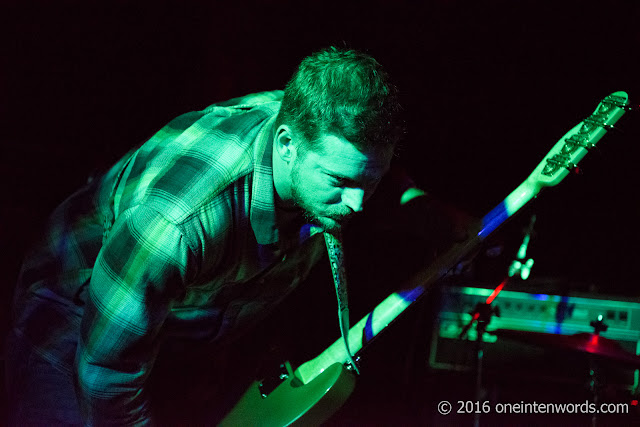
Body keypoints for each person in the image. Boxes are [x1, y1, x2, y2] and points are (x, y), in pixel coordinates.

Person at [6, 47, 458, 425]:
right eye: (339, 182)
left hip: (189, 333)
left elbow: (371, 175)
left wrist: (436, 217)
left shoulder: (329, 145)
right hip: (77, 325)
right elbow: (108, 372)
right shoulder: (178, 223)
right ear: (286, 144)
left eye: (370, 182)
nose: (358, 204)